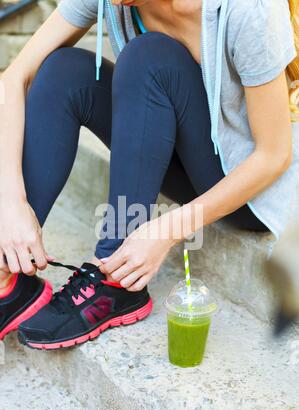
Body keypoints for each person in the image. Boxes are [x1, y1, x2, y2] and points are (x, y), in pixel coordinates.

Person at [0, 0, 298, 350]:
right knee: (63, 71)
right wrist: (11, 202)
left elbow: (273, 156)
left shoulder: (249, 9)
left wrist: (169, 228)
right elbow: (13, 78)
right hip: (179, 158)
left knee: (150, 56)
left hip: (248, 188)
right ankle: (7, 271)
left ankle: (115, 278)